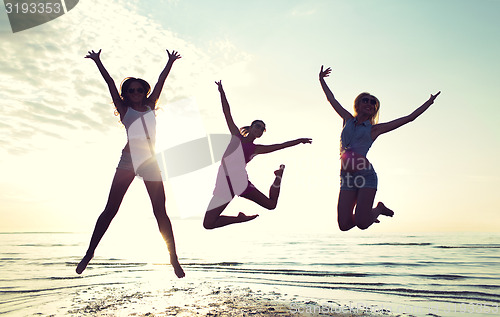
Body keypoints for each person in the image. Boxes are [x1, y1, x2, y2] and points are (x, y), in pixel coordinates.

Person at [76, 49, 185, 278]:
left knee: (160, 212)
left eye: (139, 89)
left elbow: (161, 81)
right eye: (131, 90)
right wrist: (98, 61)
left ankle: (173, 258)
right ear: (126, 93)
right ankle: (89, 252)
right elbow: (109, 83)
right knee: (111, 209)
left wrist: (169, 62)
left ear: (144, 92)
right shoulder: (124, 109)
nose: (135, 92)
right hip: (128, 161)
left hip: (151, 161)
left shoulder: (150, 105)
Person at [319, 65, 440, 231]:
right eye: (366, 100)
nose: (370, 104)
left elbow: (409, 118)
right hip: (346, 177)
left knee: (362, 223)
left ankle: (378, 210)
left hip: (365, 175)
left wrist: (429, 102)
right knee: (344, 225)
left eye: (373, 103)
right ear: (358, 104)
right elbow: (331, 99)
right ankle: (368, 215)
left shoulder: (374, 129)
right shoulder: (347, 119)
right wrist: (321, 80)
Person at [203, 81, 312, 229]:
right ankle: (239, 219)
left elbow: (279, 146)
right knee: (208, 223)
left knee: (271, 205)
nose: (259, 129)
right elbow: (227, 113)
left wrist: (299, 141)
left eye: (262, 129)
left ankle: (278, 176)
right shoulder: (236, 136)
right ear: (251, 126)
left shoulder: (256, 149)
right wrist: (221, 91)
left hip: (239, 182)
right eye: (257, 126)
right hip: (224, 183)